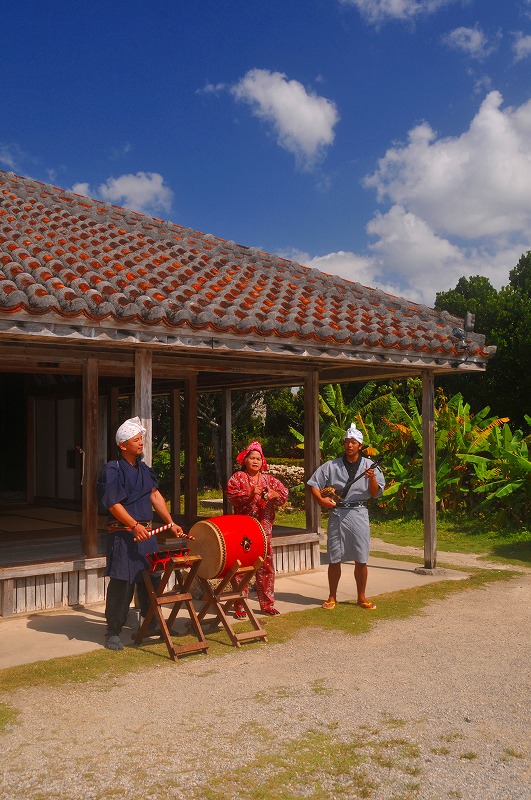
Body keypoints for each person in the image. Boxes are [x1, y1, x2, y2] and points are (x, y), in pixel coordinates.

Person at [97, 416, 183, 650]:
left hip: (148, 535)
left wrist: (170, 522)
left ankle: (152, 623)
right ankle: (114, 630)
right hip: (124, 535)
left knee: (152, 579)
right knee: (122, 582)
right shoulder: (112, 470)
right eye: (136, 440)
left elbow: (155, 496)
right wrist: (134, 525)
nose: (141, 443)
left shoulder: (144, 469)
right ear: (122, 445)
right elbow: (113, 504)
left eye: (141, 439)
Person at [307, 423, 385, 610]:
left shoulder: (369, 466)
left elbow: (375, 493)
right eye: (347, 442)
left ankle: (361, 597)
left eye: (353, 442)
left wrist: (372, 478)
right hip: (337, 514)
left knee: (361, 557)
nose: (350, 445)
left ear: (360, 445)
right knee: (334, 557)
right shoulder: (331, 465)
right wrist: (321, 501)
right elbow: (313, 483)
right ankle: (332, 596)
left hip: (359, 513)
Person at [226, 440, 288, 618]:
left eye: (258, 459)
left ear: (263, 462)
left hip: (264, 530)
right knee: (241, 567)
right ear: (245, 460)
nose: (255, 461)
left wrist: (274, 494)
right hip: (243, 530)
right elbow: (231, 496)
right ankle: (240, 605)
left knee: (266, 567)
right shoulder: (237, 477)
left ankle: (267, 605)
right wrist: (249, 493)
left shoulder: (269, 480)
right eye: (252, 458)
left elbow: (284, 494)